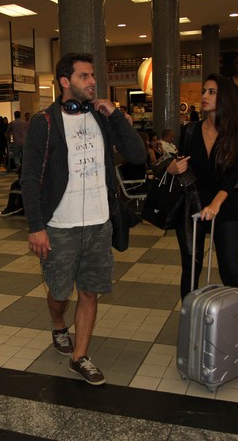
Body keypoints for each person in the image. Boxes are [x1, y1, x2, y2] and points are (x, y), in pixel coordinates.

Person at [21, 52, 146, 385]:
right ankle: (59, 325)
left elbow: (137, 156)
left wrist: (117, 115)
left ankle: (81, 356)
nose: (93, 82)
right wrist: (36, 227)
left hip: (98, 223)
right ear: (65, 82)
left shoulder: (103, 117)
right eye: (85, 76)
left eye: (93, 76)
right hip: (59, 227)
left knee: (89, 291)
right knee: (60, 293)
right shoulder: (44, 123)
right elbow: (30, 177)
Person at [165, 73, 238, 364]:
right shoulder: (189, 130)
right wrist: (172, 167)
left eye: (212, 91)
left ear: (225, 98)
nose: (204, 95)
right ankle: (192, 331)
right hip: (192, 208)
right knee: (190, 271)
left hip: (225, 209)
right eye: (204, 91)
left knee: (232, 272)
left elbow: (232, 178)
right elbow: (179, 166)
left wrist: (217, 204)